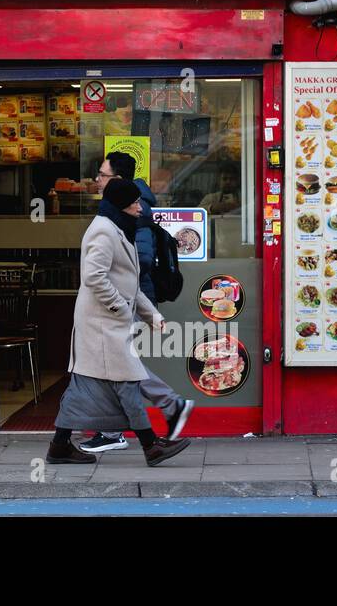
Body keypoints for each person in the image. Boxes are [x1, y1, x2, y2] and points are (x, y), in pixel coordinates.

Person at [46, 177, 191, 467]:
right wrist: (120, 309)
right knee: (128, 380)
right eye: (134, 203)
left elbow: (130, 285)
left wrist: (152, 316)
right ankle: (151, 446)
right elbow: (94, 277)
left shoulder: (119, 229)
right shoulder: (103, 232)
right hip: (101, 323)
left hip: (107, 323)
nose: (140, 207)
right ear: (121, 206)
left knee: (84, 388)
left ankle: (59, 445)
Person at [79, 153, 194, 453]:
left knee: (120, 365)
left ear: (116, 179)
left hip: (124, 300)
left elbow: (138, 260)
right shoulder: (120, 206)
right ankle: (147, 419)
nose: (97, 180)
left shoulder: (133, 207)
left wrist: (125, 303)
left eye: (102, 175)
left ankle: (161, 411)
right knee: (118, 365)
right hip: (124, 299)